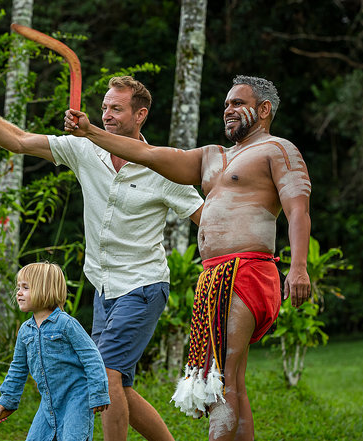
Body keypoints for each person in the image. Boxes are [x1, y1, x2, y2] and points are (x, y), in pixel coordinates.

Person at [0, 75, 203, 441]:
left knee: (106, 373)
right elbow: (17, 140)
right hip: (103, 288)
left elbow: (205, 218)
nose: (107, 115)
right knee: (120, 385)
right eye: (104, 108)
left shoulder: (162, 166)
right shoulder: (85, 151)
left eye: (116, 108)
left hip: (144, 285)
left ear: (140, 114)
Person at [64, 75, 312, 441]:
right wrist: (91, 133)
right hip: (216, 275)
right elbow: (149, 154)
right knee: (232, 379)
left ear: (263, 110)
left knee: (221, 378)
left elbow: (298, 210)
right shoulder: (215, 156)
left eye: (238, 103)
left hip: (246, 270)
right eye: (226, 103)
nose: (228, 109)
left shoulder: (277, 150)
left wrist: (300, 267)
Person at [0, 262, 110, 440]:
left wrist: (98, 393)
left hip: (76, 398)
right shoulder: (25, 330)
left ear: (45, 289)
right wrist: (7, 399)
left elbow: (92, 357)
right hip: (48, 402)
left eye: (25, 287)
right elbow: (18, 367)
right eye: (18, 287)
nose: (18, 293)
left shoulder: (66, 324)